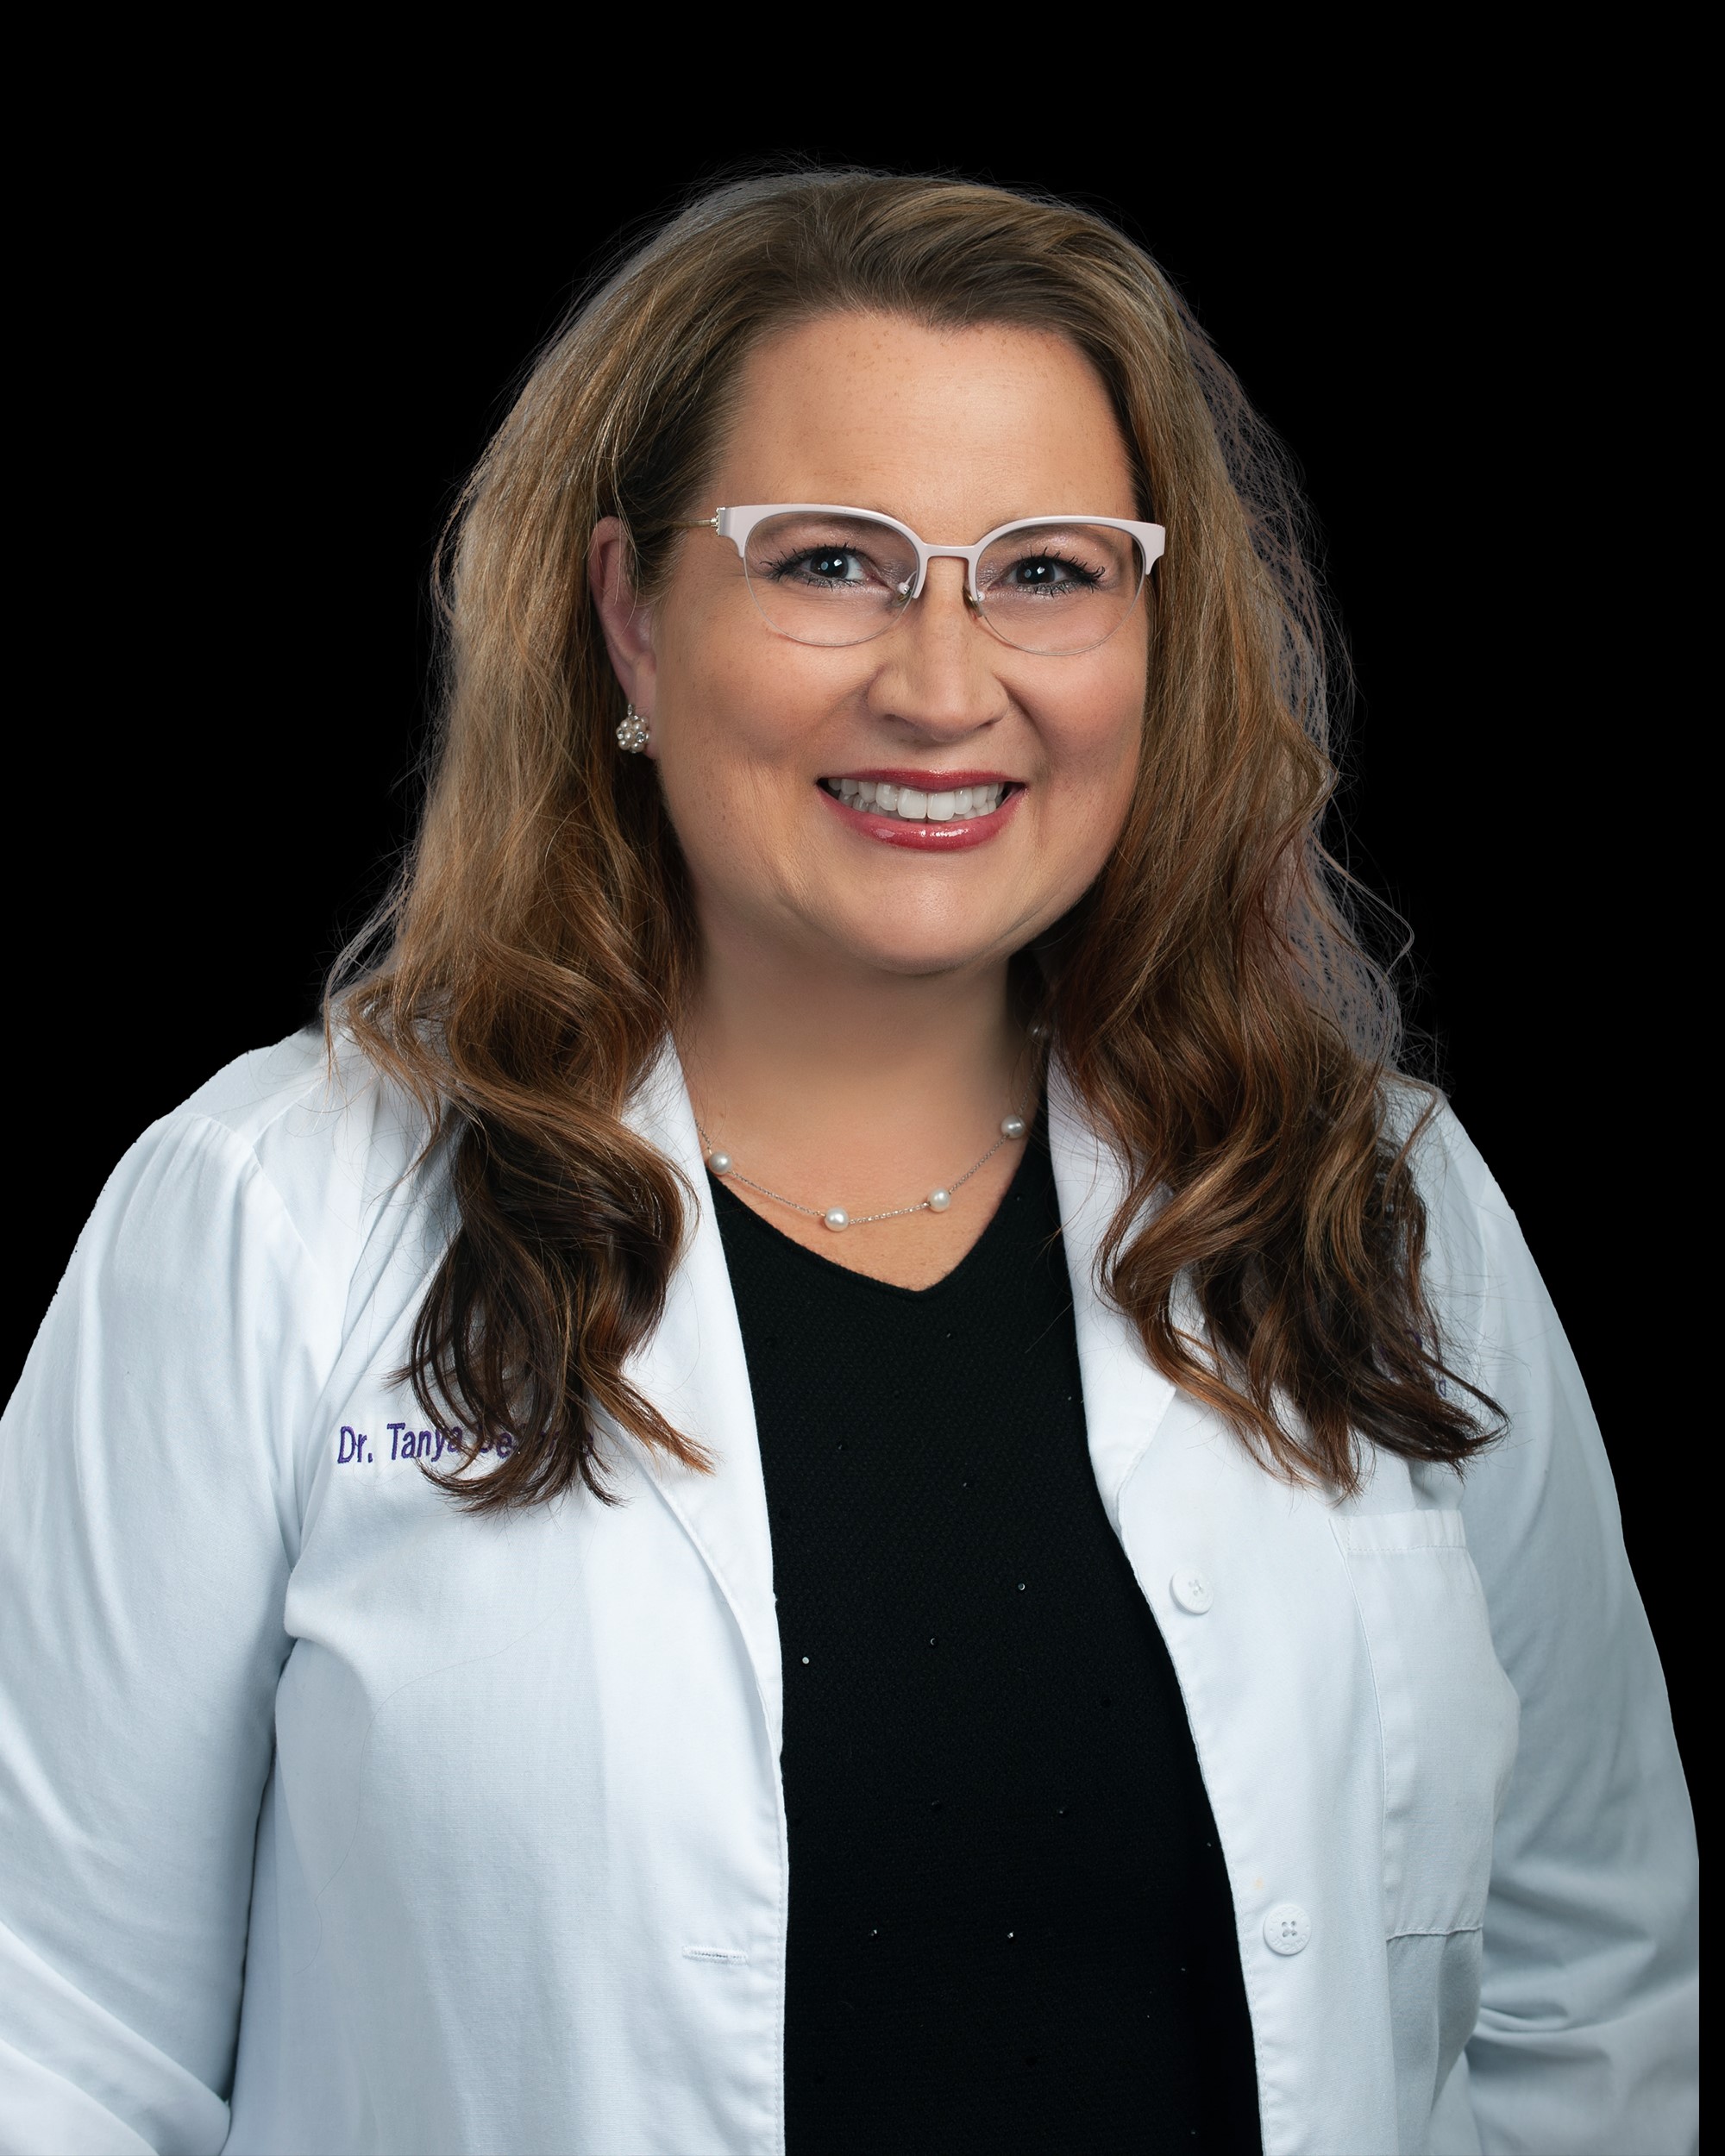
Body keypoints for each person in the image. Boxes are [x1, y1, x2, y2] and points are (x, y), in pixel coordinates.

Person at [0, 170, 1697, 2156]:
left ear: (1156, 637)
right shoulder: (270, 1218)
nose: (944, 684)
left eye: (1047, 570)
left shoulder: (1374, 1207)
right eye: (831, 560)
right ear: (631, 617)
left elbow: (1591, 1989)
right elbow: (55, 2038)